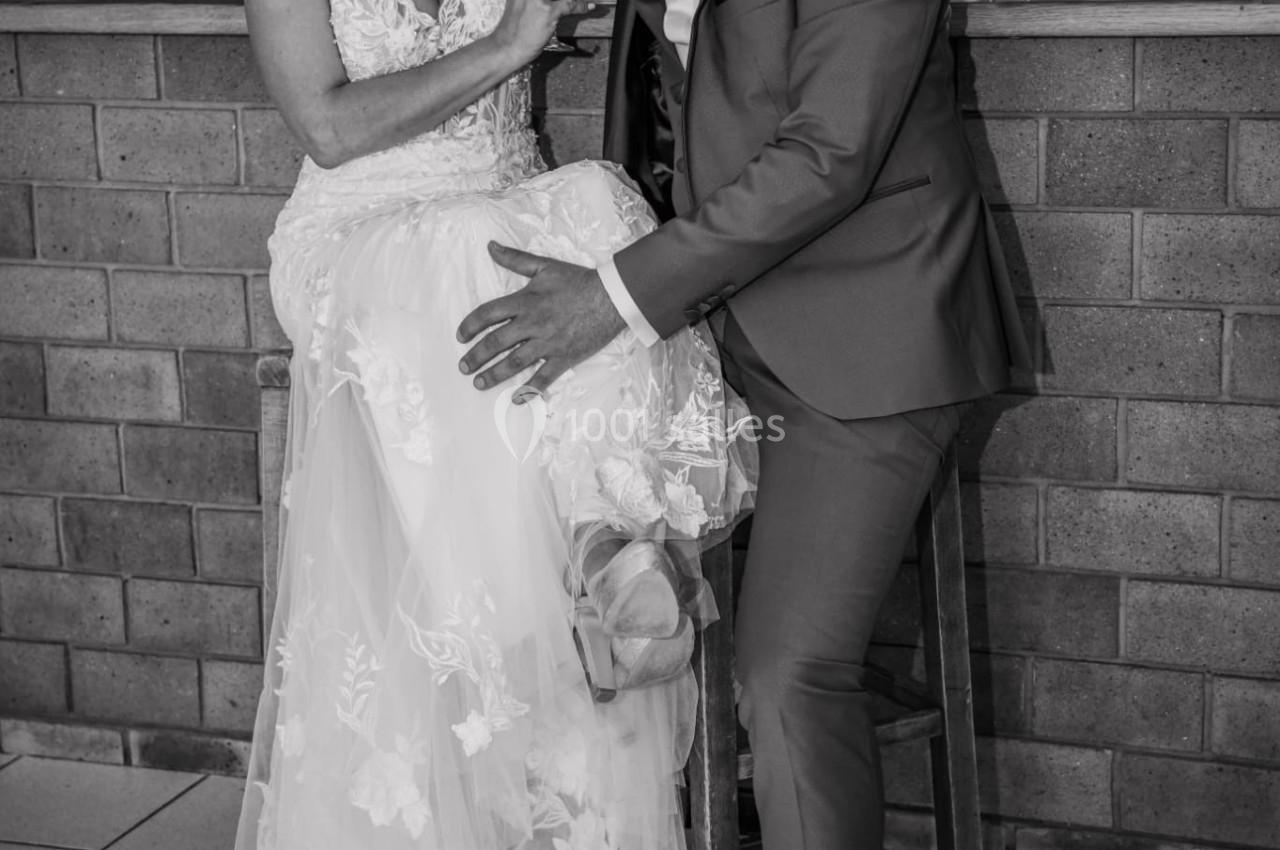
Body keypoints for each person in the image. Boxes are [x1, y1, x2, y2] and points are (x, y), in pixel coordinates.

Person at [455, 0, 1033, 846]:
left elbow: (831, 154)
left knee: (789, 673)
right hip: (711, 319)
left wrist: (613, 300)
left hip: (871, 321)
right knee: (532, 587)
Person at [232, 0, 755, 845]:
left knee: (595, 200)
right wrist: (512, 39)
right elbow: (325, 125)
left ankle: (604, 545)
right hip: (357, 231)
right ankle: (528, 662)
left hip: (501, 209)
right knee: (473, 256)